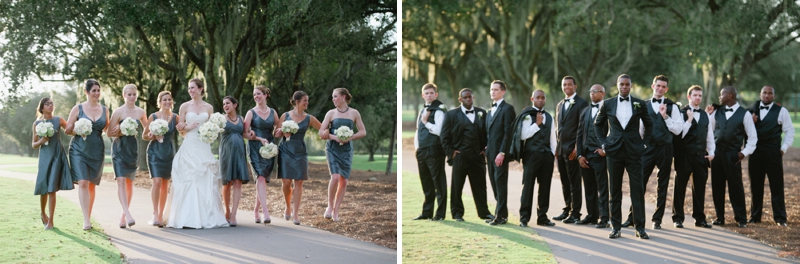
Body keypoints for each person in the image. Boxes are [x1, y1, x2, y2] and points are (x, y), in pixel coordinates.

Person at [594, 74, 653, 239]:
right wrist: (604, 143)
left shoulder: (640, 104)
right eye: (622, 84)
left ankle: (640, 227)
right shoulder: (608, 104)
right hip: (614, 152)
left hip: (635, 151)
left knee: (637, 190)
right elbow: (597, 124)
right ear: (617, 85)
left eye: (627, 84)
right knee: (615, 190)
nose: (625, 87)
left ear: (631, 86)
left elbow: (649, 124)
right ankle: (616, 227)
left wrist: (644, 143)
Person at [165, 78, 229, 229]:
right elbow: (180, 129)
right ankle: (186, 218)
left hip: (204, 145)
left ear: (200, 89)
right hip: (190, 144)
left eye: (193, 88)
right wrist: (187, 126)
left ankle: (208, 216)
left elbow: (213, 127)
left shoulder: (209, 107)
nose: (190, 91)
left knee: (205, 178)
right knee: (189, 178)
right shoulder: (184, 106)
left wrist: (211, 134)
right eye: (189, 88)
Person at [622, 75, 683, 229]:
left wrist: (665, 116)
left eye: (663, 86)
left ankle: (657, 220)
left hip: (665, 149)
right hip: (647, 149)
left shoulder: (673, 107)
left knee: (663, 185)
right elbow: (640, 129)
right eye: (658, 85)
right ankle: (632, 218)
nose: (660, 88)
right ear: (653, 86)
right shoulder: (644, 105)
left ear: (666, 89)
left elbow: (678, 129)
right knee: (639, 183)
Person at [704, 86, 757, 228]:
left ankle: (741, 219)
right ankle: (719, 218)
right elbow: (709, 131)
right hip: (717, 154)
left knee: (736, 187)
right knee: (717, 186)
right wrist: (708, 114)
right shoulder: (717, 112)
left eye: (722, 94)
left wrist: (743, 153)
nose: (719, 97)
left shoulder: (744, 114)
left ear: (729, 96)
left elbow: (753, 138)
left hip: (733, 154)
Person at [440, 88, 493, 222]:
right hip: (460, 156)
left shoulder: (481, 113)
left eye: (470, 97)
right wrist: (451, 153)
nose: (468, 99)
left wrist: (484, 150)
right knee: (457, 186)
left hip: (477, 156)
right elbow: (444, 137)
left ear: (473, 98)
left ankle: (484, 213)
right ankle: (457, 213)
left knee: (480, 186)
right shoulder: (452, 115)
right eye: (465, 97)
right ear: (460, 99)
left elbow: (487, 133)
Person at [66, 79, 110, 231]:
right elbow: (68, 129)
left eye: (98, 90)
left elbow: (108, 129)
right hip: (79, 149)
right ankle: (86, 219)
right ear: (86, 92)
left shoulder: (105, 109)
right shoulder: (78, 109)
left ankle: (88, 215)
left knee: (91, 185)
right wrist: (79, 130)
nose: (97, 93)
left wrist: (122, 130)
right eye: (94, 91)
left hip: (97, 150)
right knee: (83, 182)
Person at [509, 90, 557, 227]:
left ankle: (542, 217)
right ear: (532, 98)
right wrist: (537, 124)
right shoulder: (527, 116)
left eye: (543, 98)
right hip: (531, 156)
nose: (541, 100)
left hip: (546, 156)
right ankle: (524, 218)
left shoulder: (549, 116)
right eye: (538, 97)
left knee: (545, 188)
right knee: (528, 187)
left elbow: (552, 138)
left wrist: (552, 154)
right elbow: (523, 135)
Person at [318, 88, 367, 221]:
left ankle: (336, 211)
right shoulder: (331, 113)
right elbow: (321, 132)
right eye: (332, 97)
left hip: (347, 150)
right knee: (335, 177)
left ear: (343, 97)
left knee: (344, 181)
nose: (333, 99)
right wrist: (334, 137)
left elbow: (363, 132)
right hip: (332, 148)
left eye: (335, 96)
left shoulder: (354, 113)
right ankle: (329, 206)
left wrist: (350, 137)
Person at [747, 85, 792, 226]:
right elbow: (742, 130)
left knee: (777, 186)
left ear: (774, 96)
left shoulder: (781, 111)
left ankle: (780, 218)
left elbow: (789, 131)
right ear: (760, 94)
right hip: (755, 154)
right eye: (764, 93)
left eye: (770, 93)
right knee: (755, 186)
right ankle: (755, 216)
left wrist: (783, 148)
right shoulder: (750, 111)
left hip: (773, 154)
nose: (767, 96)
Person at [672, 85, 715, 228]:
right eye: (695, 95)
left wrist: (712, 153)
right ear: (689, 96)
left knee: (700, 189)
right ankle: (678, 218)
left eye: (700, 95)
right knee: (680, 188)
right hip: (684, 156)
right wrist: (689, 120)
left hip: (701, 157)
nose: (698, 98)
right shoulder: (680, 113)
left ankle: (700, 219)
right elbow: (679, 135)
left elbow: (709, 136)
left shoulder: (705, 115)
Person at [276, 91, 322, 225]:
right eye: (305, 100)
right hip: (285, 150)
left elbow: (323, 129)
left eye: (307, 100)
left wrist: (331, 132)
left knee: (299, 182)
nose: (307, 103)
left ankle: (296, 213)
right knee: (286, 182)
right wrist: (281, 132)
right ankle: (287, 206)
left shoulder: (310, 118)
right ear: (297, 102)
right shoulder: (285, 115)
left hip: (300, 151)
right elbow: (276, 132)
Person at [108, 84, 148, 228]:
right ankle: (128, 214)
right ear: (124, 96)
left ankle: (123, 216)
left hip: (132, 150)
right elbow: (109, 133)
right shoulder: (118, 112)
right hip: (119, 150)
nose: (132, 97)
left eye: (134, 94)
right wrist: (120, 131)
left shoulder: (141, 112)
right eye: (129, 94)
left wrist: (157, 133)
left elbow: (146, 132)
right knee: (120, 181)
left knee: (130, 183)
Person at [31, 97, 74, 230]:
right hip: (44, 157)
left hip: (57, 155)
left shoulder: (58, 120)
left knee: (52, 189)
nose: (50, 106)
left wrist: (81, 129)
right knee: (44, 187)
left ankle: (51, 221)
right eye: (47, 104)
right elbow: (33, 145)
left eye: (52, 103)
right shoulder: (36, 124)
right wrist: (42, 140)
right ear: (42, 107)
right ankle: (43, 212)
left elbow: (70, 130)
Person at [553, 76, 589, 224]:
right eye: (564, 85)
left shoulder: (582, 103)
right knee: (564, 182)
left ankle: (576, 212)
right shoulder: (560, 105)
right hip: (561, 150)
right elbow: (558, 128)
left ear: (575, 86)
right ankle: (567, 208)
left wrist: (577, 148)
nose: (566, 87)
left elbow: (583, 128)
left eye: (569, 84)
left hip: (573, 150)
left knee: (574, 183)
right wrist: (556, 147)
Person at [412, 83, 448, 221]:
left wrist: (426, 122)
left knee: (438, 182)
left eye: (431, 93)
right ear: (423, 95)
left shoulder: (439, 110)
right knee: (426, 182)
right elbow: (418, 131)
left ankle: (439, 214)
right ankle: (426, 213)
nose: (429, 95)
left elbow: (440, 131)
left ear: (436, 94)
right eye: (426, 93)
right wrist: (417, 148)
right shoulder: (423, 110)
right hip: (422, 150)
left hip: (434, 150)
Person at [244, 85, 280, 224]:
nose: (256, 97)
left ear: (266, 95)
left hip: (269, 148)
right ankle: (265, 212)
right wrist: (256, 137)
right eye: (254, 95)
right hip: (255, 148)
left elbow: (278, 128)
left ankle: (255, 209)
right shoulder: (251, 113)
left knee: (263, 180)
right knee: (259, 178)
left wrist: (279, 132)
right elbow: (245, 133)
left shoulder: (273, 112)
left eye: (258, 94)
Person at [142, 91, 178, 228]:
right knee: (156, 181)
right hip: (154, 152)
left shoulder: (175, 117)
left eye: (169, 99)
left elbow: (182, 130)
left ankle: (161, 214)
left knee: (165, 184)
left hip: (168, 152)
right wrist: (152, 135)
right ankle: (155, 213)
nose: (167, 102)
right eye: (164, 100)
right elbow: (144, 136)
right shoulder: (153, 116)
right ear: (160, 102)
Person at [576, 85, 610, 228]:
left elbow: (613, 131)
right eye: (590, 91)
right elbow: (579, 134)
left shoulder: (609, 109)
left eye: (595, 92)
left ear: (602, 93)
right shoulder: (585, 111)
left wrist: (605, 149)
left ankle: (604, 218)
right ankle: (591, 215)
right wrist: (579, 155)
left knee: (602, 187)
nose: (592, 94)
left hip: (600, 154)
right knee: (589, 186)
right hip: (585, 154)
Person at [485, 80, 514, 226]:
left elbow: (508, 133)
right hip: (489, 153)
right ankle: (500, 212)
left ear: (503, 92)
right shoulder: (490, 110)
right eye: (491, 89)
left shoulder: (508, 109)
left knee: (500, 183)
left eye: (496, 90)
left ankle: (501, 216)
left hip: (500, 154)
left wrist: (502, 152)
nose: (493, 92)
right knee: (494, 183)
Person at [219, 96, 251, 227]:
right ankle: (227, 211)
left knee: (238, 182)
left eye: (228, 103)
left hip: (239, 153)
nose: (225, 105)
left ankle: (234, 215)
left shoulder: (241, 119)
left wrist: (256, 137)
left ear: (235, 105)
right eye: (224, 104)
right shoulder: (221, 119)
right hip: (226, 153)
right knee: (227, 183)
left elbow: (245, 134)